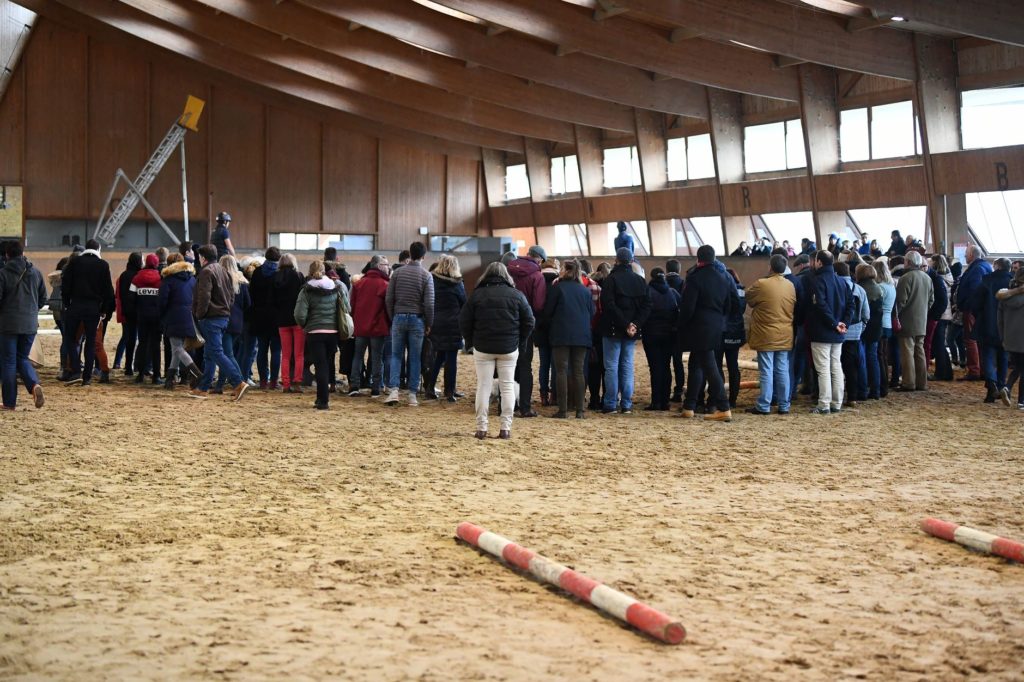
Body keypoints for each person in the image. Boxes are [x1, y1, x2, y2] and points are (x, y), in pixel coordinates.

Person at [460, 262, 534, 439]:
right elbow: (529, 321)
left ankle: (481, 428)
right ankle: (505, 428)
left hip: (483, 347)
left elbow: (463, 321)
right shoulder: (517, 295)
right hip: (508, 348)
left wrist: (471, 342)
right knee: (507, 386)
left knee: (483, 386)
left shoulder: (477, 295)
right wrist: (520, 342)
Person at [678, 245, 736, 422]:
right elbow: (731, 304)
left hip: (699, 326)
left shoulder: (695, 278)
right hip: (717, 325)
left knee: (710, 367)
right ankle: (689, 406)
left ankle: (724, 407)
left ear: (698, 259)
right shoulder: (725, 277)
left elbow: (688, 307)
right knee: (697, 363)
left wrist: (680, 325)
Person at [189, 245, 247, 401]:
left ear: (203, 258)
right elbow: (231, 296)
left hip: (211, 318)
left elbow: (204, 296)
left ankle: (238, 382)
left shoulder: (206, 272)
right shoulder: (224, 271)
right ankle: (203, 387)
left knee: (216, 352)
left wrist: (200, 315)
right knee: (209, 354)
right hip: (222, 318)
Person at [599, 247, 651, 415]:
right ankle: (627, 404)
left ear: (617, 260)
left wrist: (624, 323)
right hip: (631, 331)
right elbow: (646, 306)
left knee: (612, 367)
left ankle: (611, 403)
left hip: (613, 329)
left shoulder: (611, 280)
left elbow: (609, 305)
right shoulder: (640, 281)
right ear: (632, 261)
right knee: (627, 366)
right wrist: (634, 324)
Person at [541, 259, 595, 418]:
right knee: (578, 372)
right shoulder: (585, 291)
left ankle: (563, 410)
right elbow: (591, 313)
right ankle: (580, 410)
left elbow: (548, 312)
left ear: (564, 270)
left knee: (561, 371)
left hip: (561, 335)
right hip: (582, 335)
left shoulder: (557, 289)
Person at [384, 241, 434, 406]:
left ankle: (394, 391)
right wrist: (429, 322)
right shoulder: (426, 275)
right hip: (417, 319)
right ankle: (412, 394)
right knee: (415, 357)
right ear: (424, 256)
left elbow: (389, 298)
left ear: (410, 254)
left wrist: (393, 316)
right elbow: (429, 303)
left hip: (398, 317)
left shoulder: (397, 274)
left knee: (396, 355)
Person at [745, 254, 796, 415]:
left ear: (771, 267)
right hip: (785, 333)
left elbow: (749, 298)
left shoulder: (762, 284)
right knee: (782, 369)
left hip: (765, 334)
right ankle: (784, 405)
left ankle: (764, 405)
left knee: (766, 369)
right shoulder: (790, 285)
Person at [60, 239, 115, 385]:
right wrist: (104, 310)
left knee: (71, 339)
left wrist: (67, 303)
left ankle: (76, 370)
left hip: (75, 305)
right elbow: (108, 291)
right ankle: (87, 377)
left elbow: (65, 285)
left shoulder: (74, 262)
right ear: (98, 249)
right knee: (91, 342)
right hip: (93, 308)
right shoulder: (103, 265)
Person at [0, 240, 47, 410]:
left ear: (7, 254)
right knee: (22, 358)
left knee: (9, 362)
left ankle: (9, 402)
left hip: (7, 325)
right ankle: (34, 385)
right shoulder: (36, 273)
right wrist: (30, 311)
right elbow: (43, 299)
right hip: (29, 324)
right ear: (22, 252)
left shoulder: (3, 274)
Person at [294, 260, 346, 410]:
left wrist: (304, 325)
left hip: (315, 332)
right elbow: (346, 307)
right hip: (333, 333)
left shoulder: (306, 290)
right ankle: (320, 398)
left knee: (320, 366)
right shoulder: (336, 287)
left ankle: (323, 400)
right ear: (324, 271)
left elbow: (299, 314)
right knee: (327, 364)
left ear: (310, 272)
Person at [808, 250, 853, 414]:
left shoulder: (817, 281)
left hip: (822, 332)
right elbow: (851, 305)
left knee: (823, 369)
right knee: (836, 367)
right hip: (838, 332)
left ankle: (824, 404)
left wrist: (834, 323)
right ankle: (837, 402)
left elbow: (820, 305)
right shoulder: (842, 282)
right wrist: (844, 323)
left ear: (819, 262)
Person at [508, 245, 547, 417]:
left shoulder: (508, 268)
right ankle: (524, 407)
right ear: (538, 258)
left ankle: (508, 405)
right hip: (525, 325)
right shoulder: (537, 275)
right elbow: (538, 304)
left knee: (507, 366)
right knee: (525, 366)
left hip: (506, 323)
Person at [424, 254, 466, 402]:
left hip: (436, 323)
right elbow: (464, 303)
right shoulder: (457, 283)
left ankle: (430, 387)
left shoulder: (432, 281)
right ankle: (450, 391)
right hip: (453, 324)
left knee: (439, 356)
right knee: (451, 358)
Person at [637, 268, 678, 412]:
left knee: (655, 368)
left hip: (651, 335)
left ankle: (656, 402)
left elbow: (643, 311)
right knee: (666, 367)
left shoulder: (648, 291)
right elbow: (679, 310)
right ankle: (665, 401)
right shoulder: (672, 293)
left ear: (651, 276)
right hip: (669, 335)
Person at [157, 253, 200, 390]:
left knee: (177, 348)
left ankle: (197, 373)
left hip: (173, 316)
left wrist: (161, 315)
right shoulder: (192, 279)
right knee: (177, 348)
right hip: (189, 316)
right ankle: (169, 380)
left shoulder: (168, 280)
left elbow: (162, 301)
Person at [349, 255, 390, 397]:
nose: (388, 267)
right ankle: (376, 388)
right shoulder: (385, 285)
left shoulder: (358, 284)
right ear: (379, 266)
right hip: (377, 328)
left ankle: (354, 385)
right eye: (386, 264)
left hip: (360, 327)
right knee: (377, 358)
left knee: (358, 356)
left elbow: (352, 307)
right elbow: (388, 308)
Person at [974, 257, 1013, 403]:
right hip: (1008, 326)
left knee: (988, 356)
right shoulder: (1013, 283)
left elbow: (975, 302)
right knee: (1003, 357)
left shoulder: (986, 281)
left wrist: (979, 315)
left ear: (996, 266)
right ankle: (1002, 386)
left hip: (988, 323)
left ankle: (991, 385)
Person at [896, 251, 934, 392]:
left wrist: (896, 316)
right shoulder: (927, 278)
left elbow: (900, 301)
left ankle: (908, 383)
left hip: (906, 320)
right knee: (920, 352)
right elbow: (931, 300)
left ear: (908, 262)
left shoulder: (906, 278)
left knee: (907, 352)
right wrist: (923, 311)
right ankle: (921, 383)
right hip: (921, 320)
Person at [213, 256, 250, 395]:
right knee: (227, 354)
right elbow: (248, 304)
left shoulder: (219, 280)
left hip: (224, 321)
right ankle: (220, 385)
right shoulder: (242, 282)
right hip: (238, 323)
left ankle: (240, 382)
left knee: (227, 354)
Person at [955, 245, 992, 382]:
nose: (964, 256)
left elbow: (974, 290)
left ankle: (974, 370)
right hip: (978, 309)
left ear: (972, 255)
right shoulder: (985, 266)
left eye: (966, 253)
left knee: (970, 339)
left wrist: (967, 305)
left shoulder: (977, 269)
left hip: (972, 309)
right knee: (978, 340)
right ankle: (981, 369)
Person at [270, 253, 306, 393]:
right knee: (299, 354)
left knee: (285, 355)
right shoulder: (299, 276)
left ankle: (285, 384)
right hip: (297, 319)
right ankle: (297, 382)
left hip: (282, 320)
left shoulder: (275, 277)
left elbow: (272, 300)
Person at [836, 262, 870, 406]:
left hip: (836, 333)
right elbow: (866, 314)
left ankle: (833, 396)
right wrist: (859, 329)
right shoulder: (860, 289)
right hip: (854, 334)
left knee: (834, 367)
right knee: (852, 368)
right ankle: (852, 398)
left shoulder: (834, 287)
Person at [250, 247, 282, 390]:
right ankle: (274, 381)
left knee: (262, 349)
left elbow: (252, 295)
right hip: (276, 317)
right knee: (276, 350)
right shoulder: (279, 274)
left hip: (259, 316)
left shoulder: (257, 272)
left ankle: (263, 381)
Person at [128, 254, 163, 385]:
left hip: (142, 316)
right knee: (156, 346)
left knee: (142, 344)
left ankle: (140, 375)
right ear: (156, 264)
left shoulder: (137, 278)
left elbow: (131, 297)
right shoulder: (160, 278)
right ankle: (157, 376)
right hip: (157, 317)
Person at [717, 269, 746, 409]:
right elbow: (742, 309)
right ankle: (733, 399)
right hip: (736, 331)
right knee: (733, 366)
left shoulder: (721, 288)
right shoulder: (741, 290)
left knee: (717, 366)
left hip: (722, 331)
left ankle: (720, 396)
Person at [856, 264, 884, 400]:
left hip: (862, 327)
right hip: (876, 328)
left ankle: (862, 389)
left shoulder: (860, 289)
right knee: (873, 358)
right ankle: (876, 390)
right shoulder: (879, 288)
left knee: (861, 359)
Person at [996, 270, 1024, 408]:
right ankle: (1021, 401)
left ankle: (1007, 387)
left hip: (1010, 338)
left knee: (1018, 367)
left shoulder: (1004, 297)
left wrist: (1003, 337)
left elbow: (999, 321)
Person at [872, 258, 897, 397]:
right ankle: (884, 384)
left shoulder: (880, 287)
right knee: (883, 356)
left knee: (878, 356)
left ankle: (882, 385)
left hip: (880, 323)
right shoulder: (891, 286)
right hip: (888, 323)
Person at [114, 252, 142, 377]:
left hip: (127, 312)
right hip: (139, 312)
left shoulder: (123, 275)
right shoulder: (139, 275)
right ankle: (137, 366)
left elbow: (120, 295)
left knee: (128, 339)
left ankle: (127, 366)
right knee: (140, 340)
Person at [927, 255, 954, 381]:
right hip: (946, 314)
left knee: (939, 345)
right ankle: (946, 371)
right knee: (940, 344)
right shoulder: (948, 276)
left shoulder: (938, 279)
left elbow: (940, 300)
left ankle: (942, 372)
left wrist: (934, 315)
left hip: (941, 314)